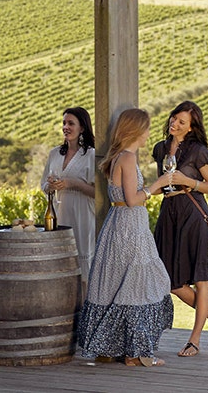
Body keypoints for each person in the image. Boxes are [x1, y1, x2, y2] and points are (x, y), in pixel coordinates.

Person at [77, 108, 173, 367]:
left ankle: (113, 348)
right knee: (143, 284)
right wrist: (157, 185)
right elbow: (132, 200)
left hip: (118, 225)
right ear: (137, 130)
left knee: (119, 284)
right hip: (130, 226)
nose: (149, 133)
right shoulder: (128, 158)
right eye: (147, 128)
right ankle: (137, 353)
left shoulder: (119, 157)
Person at [151, 100, 208, 358]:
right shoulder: (160, 148)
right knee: (171, 281)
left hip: (193, 215)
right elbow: (162, 182)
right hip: (169, 214)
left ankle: (195, 339)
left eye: (181, 122)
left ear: (191, 127)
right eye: (174, 118)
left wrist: (188, 181)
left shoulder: (198, 151)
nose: (175, 123)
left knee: (200, 277)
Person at [41, 107, 95, 292]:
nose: (66, 127)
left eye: (71, 123)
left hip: (83, 214)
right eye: (64, 123)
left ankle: (85, 314)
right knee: (62, 265)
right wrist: (51, 185)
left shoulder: (91, 155)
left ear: (82, 128)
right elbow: (44, 186)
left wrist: (73, 183)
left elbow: (99, 193)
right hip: (59, 213)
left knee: (84, 268)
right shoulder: (55, 153)